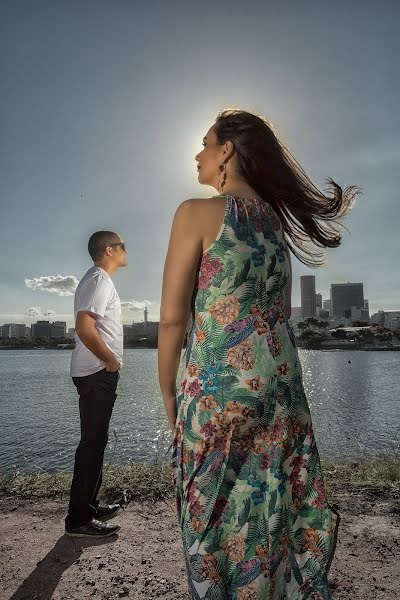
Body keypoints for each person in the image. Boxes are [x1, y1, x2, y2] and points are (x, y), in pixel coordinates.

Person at [158, 109, 359, 599]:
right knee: (274, 509)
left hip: (221, 391)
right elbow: (274, 313)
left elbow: (171, 319)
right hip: (281, 391)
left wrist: (168, 393)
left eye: (205, 143)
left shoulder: (196, 212)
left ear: (227, 150)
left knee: (212, 514)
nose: (198, 153)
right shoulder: (274, 224)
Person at [65, 231, 127, 538]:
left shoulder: (100, 279)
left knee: (95, 442)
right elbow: (85, 328)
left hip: (95, 373)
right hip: (96, 373)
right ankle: (78, 519)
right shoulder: (99, 278)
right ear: (110, 249)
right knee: (92, 444)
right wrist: (111, 361)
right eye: (123, 246)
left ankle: (88, 506)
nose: (126, 251)